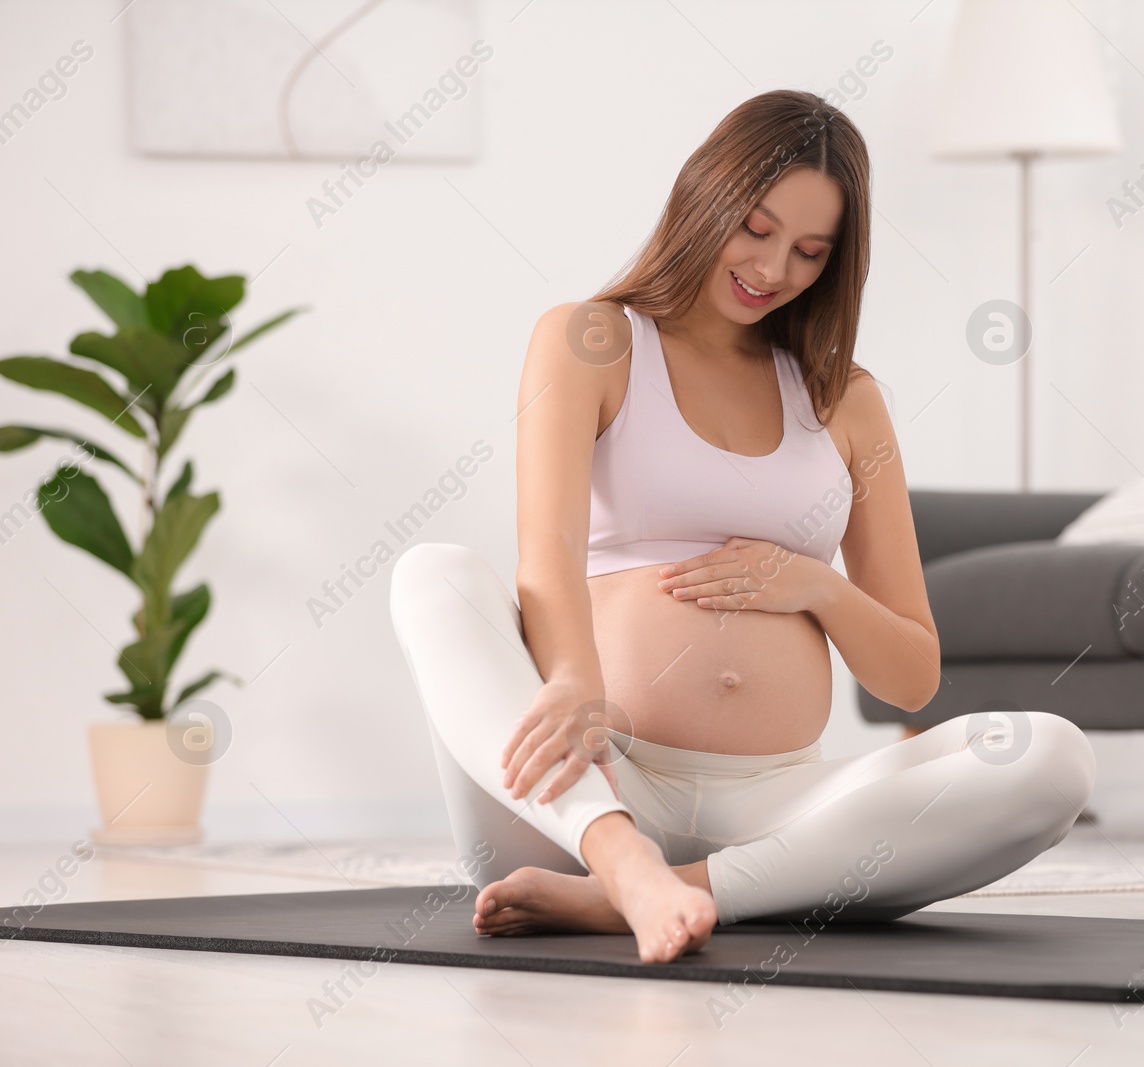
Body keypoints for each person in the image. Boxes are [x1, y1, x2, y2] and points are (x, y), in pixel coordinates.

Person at [389, 89, 1096, 964]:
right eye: (755, 228)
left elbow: (913, 675)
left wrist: (817, 586)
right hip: (582, 789)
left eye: (809, 251)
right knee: (434, 572)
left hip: (782, 808)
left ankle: (667, 894)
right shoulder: (590, 340)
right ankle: (621, 862)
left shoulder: (847, 399)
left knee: (1050, 757)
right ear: (705, 196)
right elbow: (547, 556)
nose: (772, 269)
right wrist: (572, 676)